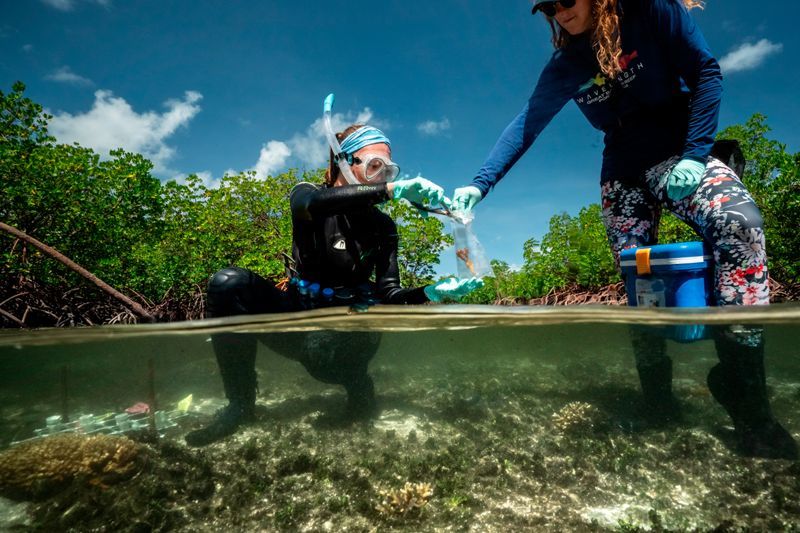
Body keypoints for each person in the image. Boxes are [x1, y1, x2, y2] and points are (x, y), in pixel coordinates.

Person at [450, 0, 797, 459]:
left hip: (679, 152)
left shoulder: (653, 11)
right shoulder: (566, 62)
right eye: (547, 7)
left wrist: (695, 155)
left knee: (739, 224)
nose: (559, 12)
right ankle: (658, 401)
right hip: (622, 174)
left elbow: (706, 72)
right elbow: (527, 124)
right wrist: (480, 184)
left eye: (566, 1)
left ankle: (749, 402)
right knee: (639, 280)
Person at [185, 122, 483, 447]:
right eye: (375, 166)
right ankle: (239, 405)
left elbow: (390, 294)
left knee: (353, 374)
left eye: (390, 170)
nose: (385, 177)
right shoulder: (307, 196)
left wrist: (429, 292)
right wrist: (391, 191)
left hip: (347, 340)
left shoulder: (383, 227)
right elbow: (313, 204)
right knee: (229, 283)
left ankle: (358, 387)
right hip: (296, 322)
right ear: (345, 163)